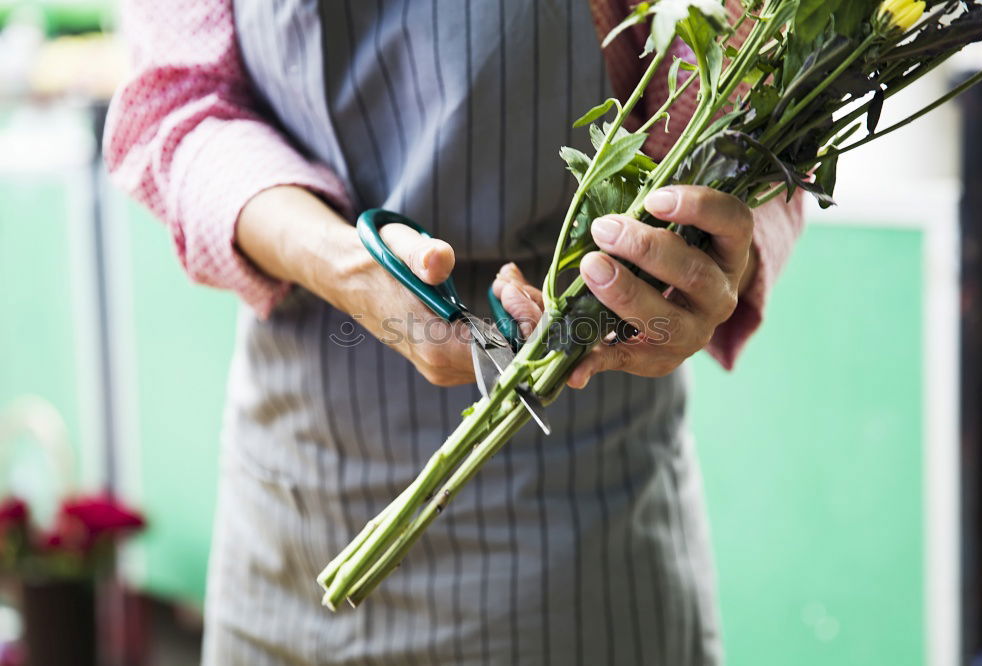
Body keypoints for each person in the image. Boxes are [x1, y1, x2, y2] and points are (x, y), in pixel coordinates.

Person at [105, 1, 803, 664]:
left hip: (581, 529)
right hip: (292, 515)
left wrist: (704, 255)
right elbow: (178, 104)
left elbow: (751, 87)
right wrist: (344, 263)